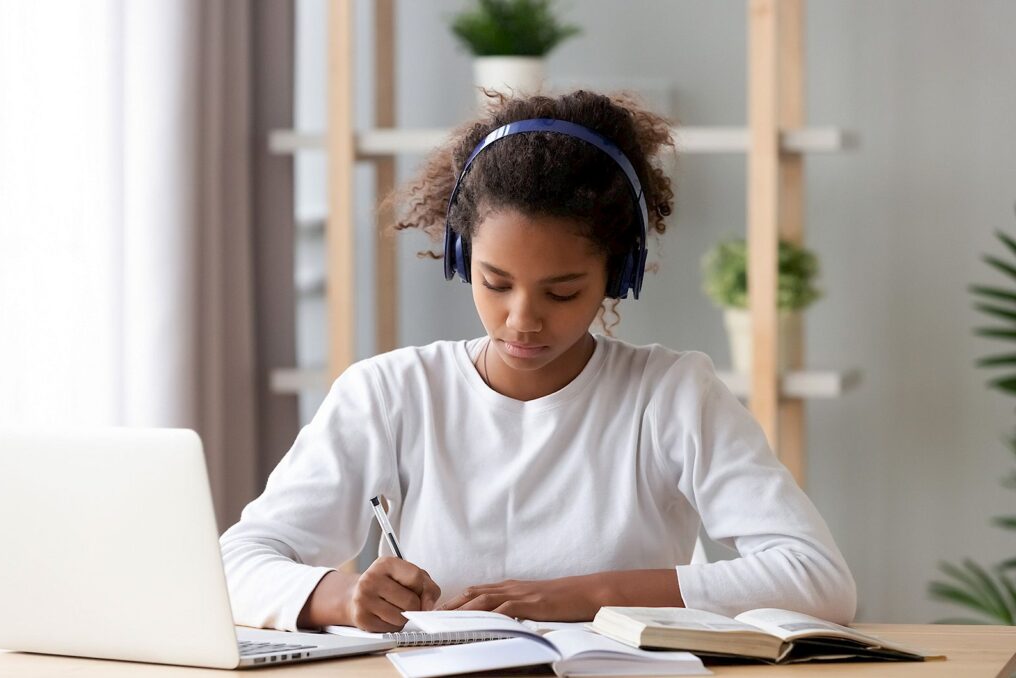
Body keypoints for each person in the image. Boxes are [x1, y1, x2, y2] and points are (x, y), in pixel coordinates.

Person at [219, 89, 857, 634]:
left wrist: (582, 596)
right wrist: (340, 597)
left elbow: (819, 579)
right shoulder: (389, 391)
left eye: (562, 292)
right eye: (496, 283)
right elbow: (235, 563)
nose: (522, 319)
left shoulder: (671, 394)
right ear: (462, 259)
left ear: (618, 274)